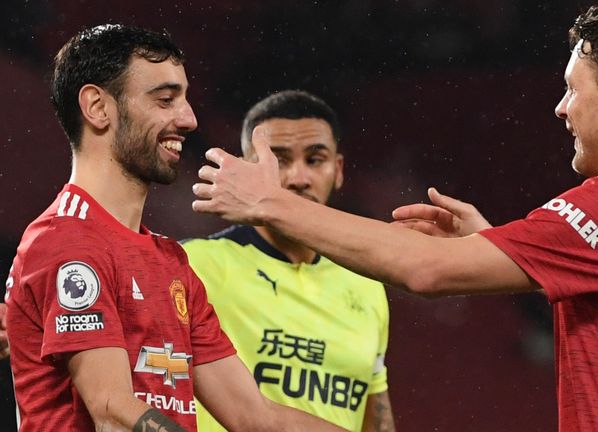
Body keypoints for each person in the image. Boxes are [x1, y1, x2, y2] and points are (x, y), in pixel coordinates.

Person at [191, 2, 598, 431]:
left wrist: (268, 201)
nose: (562, 107)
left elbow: (427, 271)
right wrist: (499, 245)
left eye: (570, 89)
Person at [3, 24, 343, 432]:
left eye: (185, 99)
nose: (189, 119)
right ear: (97, 107)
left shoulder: (169, 261)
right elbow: (112, 412)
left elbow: (257, 417)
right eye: (165, 100)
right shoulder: (67, 241)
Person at [182, 90, 396, 432]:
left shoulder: (366, 282)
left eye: (315, 159)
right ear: (246, 170)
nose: (298, 178)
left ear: (337, 170)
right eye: (278, 160)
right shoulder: (193, 266)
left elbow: (376, 415)